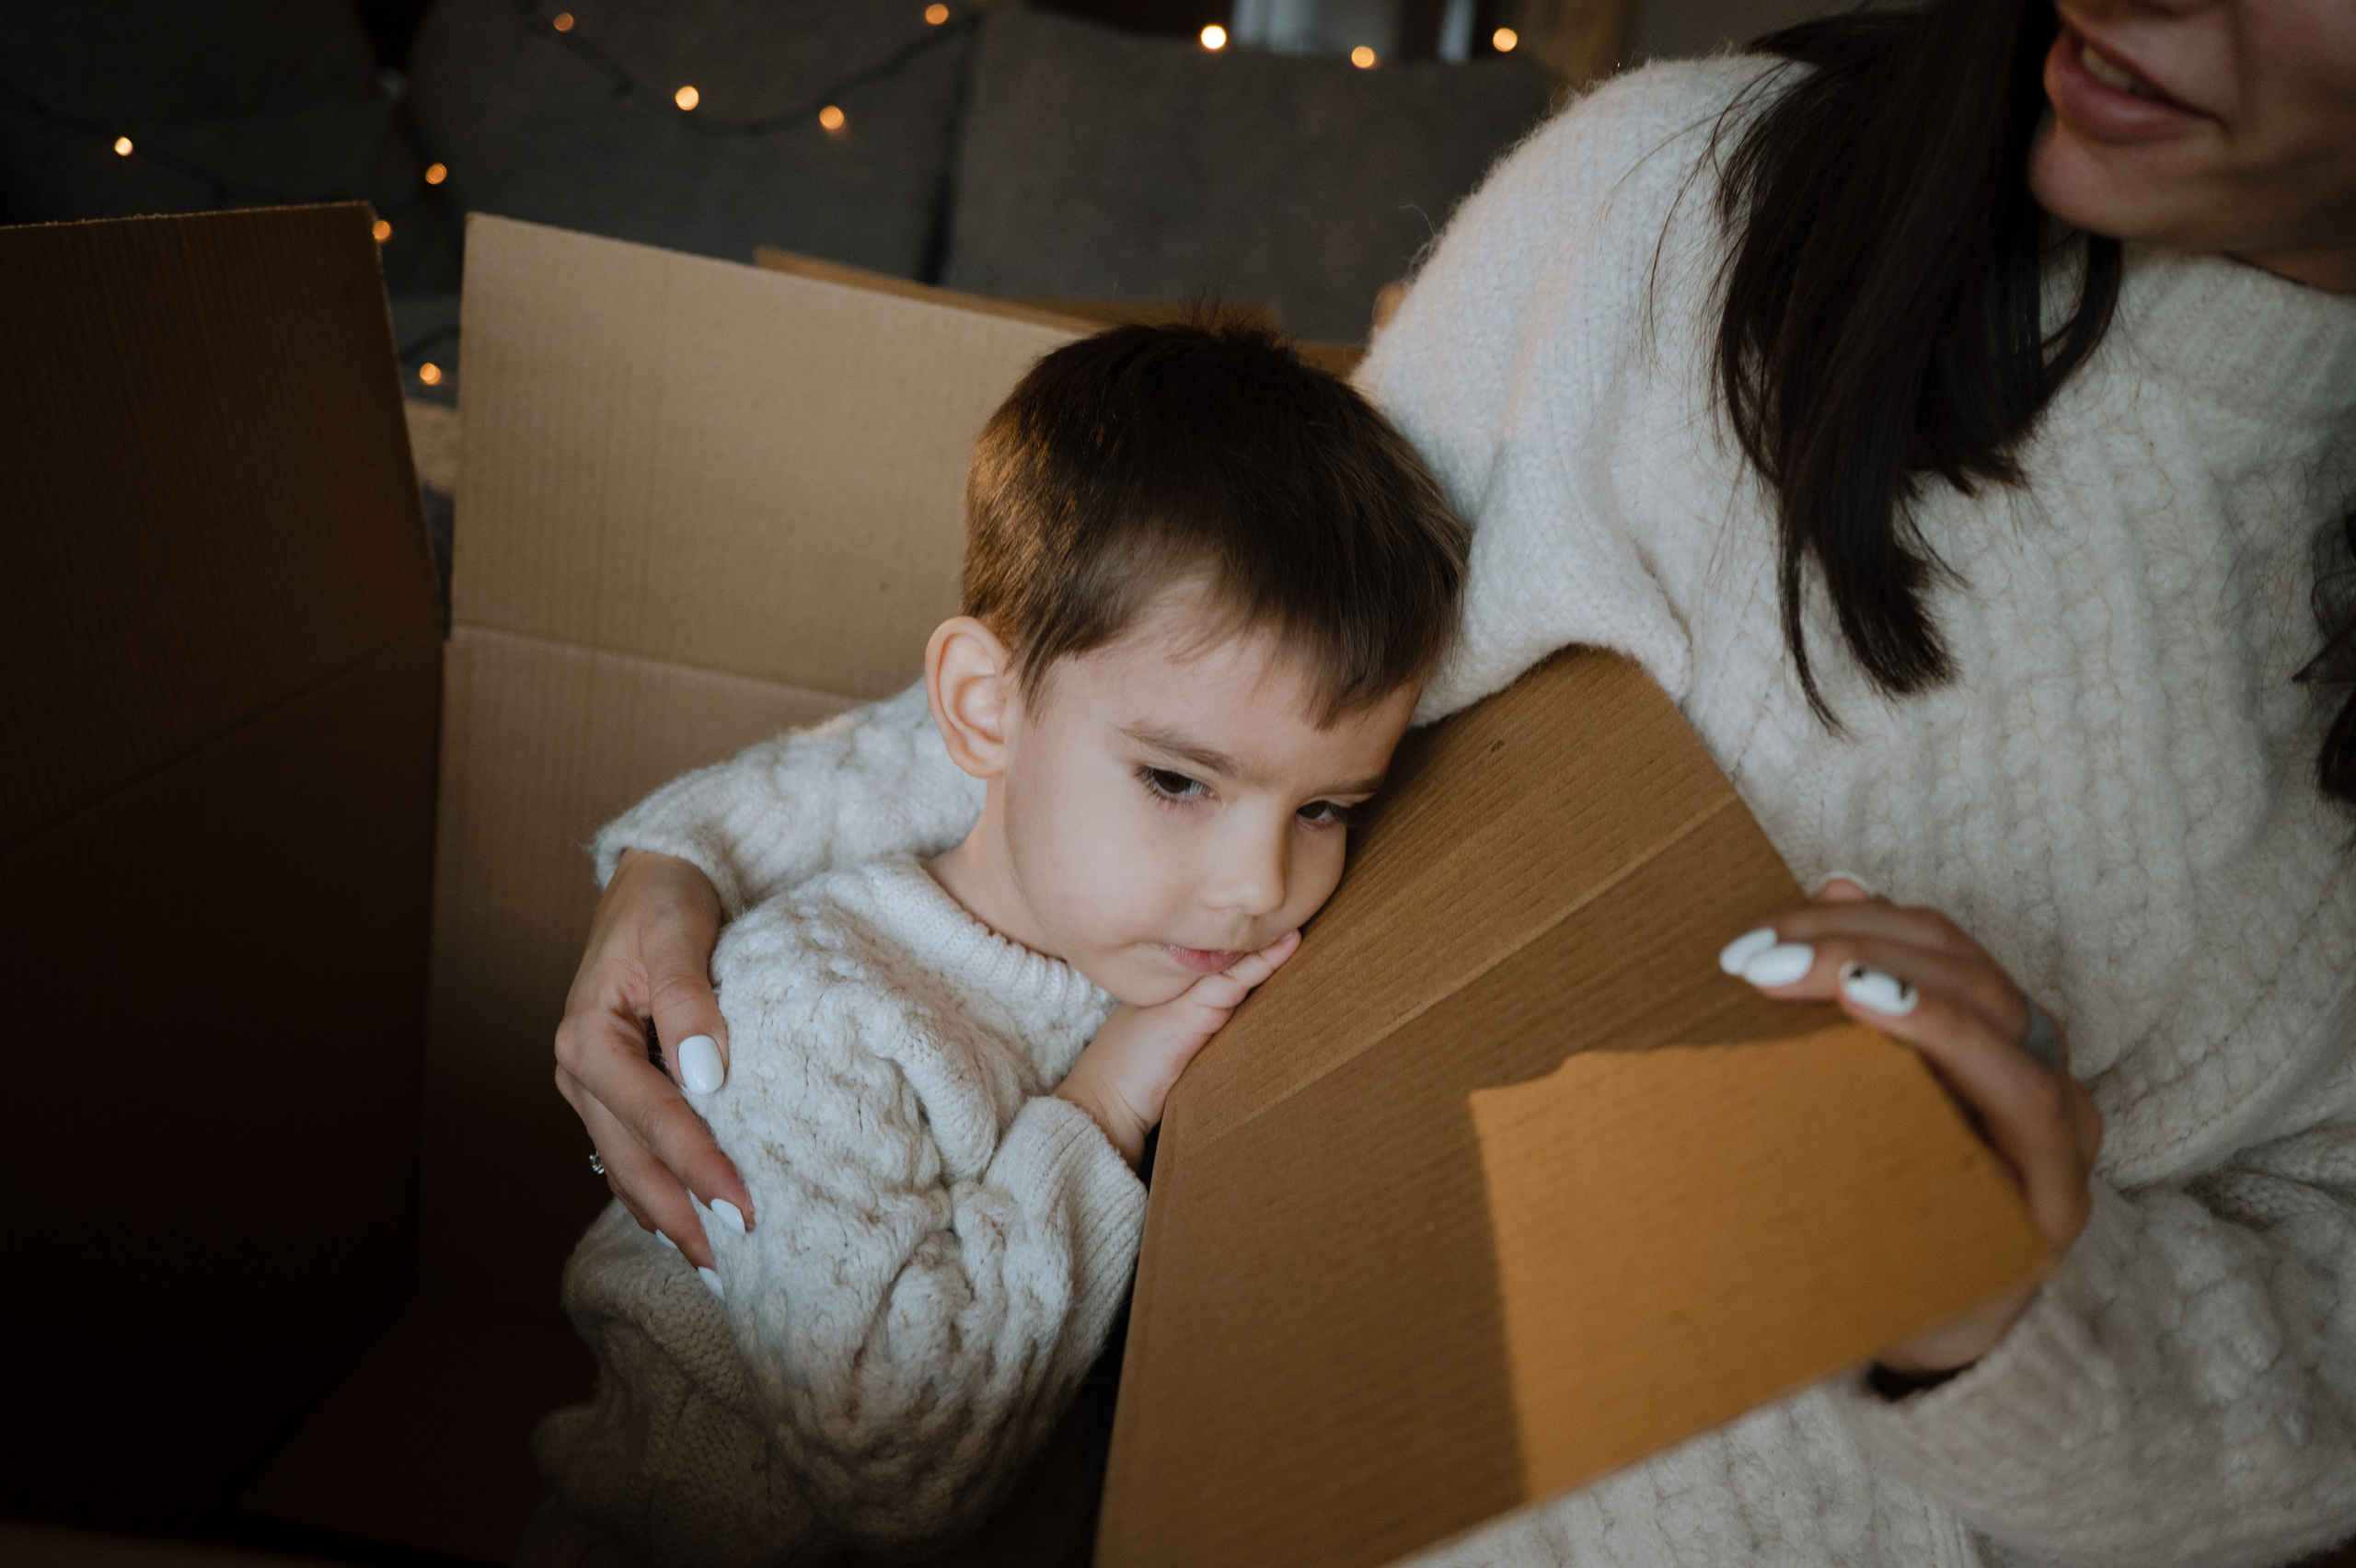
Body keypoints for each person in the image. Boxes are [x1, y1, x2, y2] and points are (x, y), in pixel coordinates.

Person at [553, 0, 2356, 1561]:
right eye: (1208, 806)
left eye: (1325, 815)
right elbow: (1170, 651)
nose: (1262, 884)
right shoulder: (1682, 200)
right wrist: (690, 856)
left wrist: (2007, 1319)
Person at [530, 320, 1471, 1566]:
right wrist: (1097, 1107)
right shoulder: (815, 1008)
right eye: (1180, 782)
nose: (1259, 887)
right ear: (981, 709)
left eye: (1327, 808)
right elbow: (893, 1456)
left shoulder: (1139, 929)